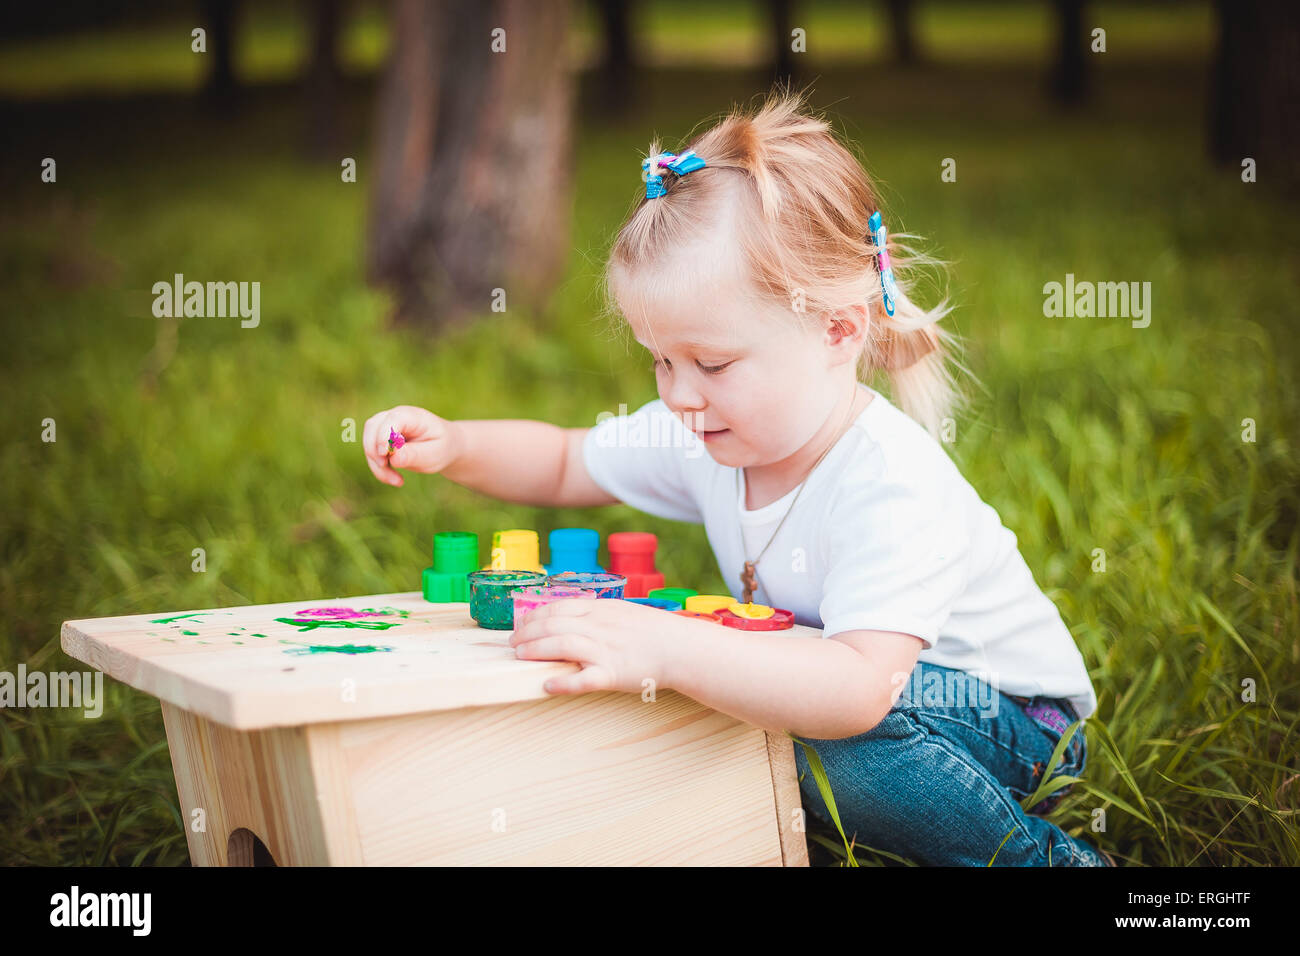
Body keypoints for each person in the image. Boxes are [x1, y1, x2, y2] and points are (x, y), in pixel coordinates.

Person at [362, 87, 1110, 867]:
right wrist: (456, 444)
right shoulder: (707, 429)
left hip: (1002, 728)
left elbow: (857, 689)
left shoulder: (888, 481)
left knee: (815, 731)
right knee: (747, 705)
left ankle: (1045, 860)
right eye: (661, 361)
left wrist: (671, 647)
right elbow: (563, 458)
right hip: (858, 695)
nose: (680, 394)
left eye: (712, 363)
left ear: (838, 330)